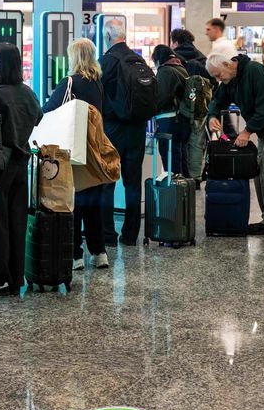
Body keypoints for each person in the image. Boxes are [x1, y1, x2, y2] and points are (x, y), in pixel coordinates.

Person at [206, 51, 264, 234]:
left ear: (228, 64)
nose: (218, 80)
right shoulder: (229, 80)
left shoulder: (255, 71)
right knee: (259, 172)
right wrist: (212, 116)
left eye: (218, 75)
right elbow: (218, 100)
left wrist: (247, 131)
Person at [44, 38, 110, 271]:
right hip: (96, 150)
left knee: (74, 204)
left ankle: (75, 255)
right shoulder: (97, 82)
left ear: (75, 57)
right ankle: (99, 252)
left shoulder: (70, 82)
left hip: (76, 151)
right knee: (94, 203)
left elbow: (50, 110)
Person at [0, 43, 42, 295]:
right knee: (18, 221)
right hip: (21, 163)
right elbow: (39, 117)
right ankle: (17, 277)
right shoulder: (27, 93)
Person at [100, 19, 148, 246]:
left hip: (113, 128)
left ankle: (108, 234)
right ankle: (130, 235)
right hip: (137, 128)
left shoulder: (108, 60)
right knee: (133, 182)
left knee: (107, 180)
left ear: (108, 36)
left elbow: (97, 91)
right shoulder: (138, 59)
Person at [171, 28, 211, 182]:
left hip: (182, 107)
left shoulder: (175, 57)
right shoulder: (201, 57)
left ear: (175, 42)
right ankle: (195, 177)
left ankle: (184, 177)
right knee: (196, 141)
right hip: (201, 106)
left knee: (181, 143)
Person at [151, 44, 190, 177]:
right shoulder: (180, 68)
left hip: (169, 121)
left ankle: (174, 192)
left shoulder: (165, 71)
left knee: (170, 162)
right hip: (181, 120)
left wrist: (150, 109)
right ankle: (185, 190)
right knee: (180, 157)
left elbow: (162, 97)